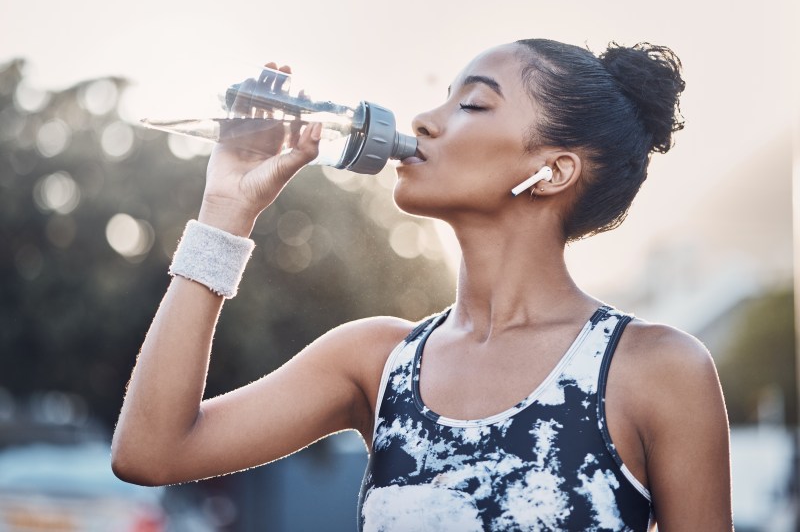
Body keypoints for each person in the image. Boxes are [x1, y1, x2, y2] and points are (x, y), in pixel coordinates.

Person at [112, 39, 733, 531]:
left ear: (551, 172)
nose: (424, 122)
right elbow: (151, 451)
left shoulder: (655, 369)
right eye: (443, 98)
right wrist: (225, 211)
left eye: (472, 104)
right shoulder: (376, 360)